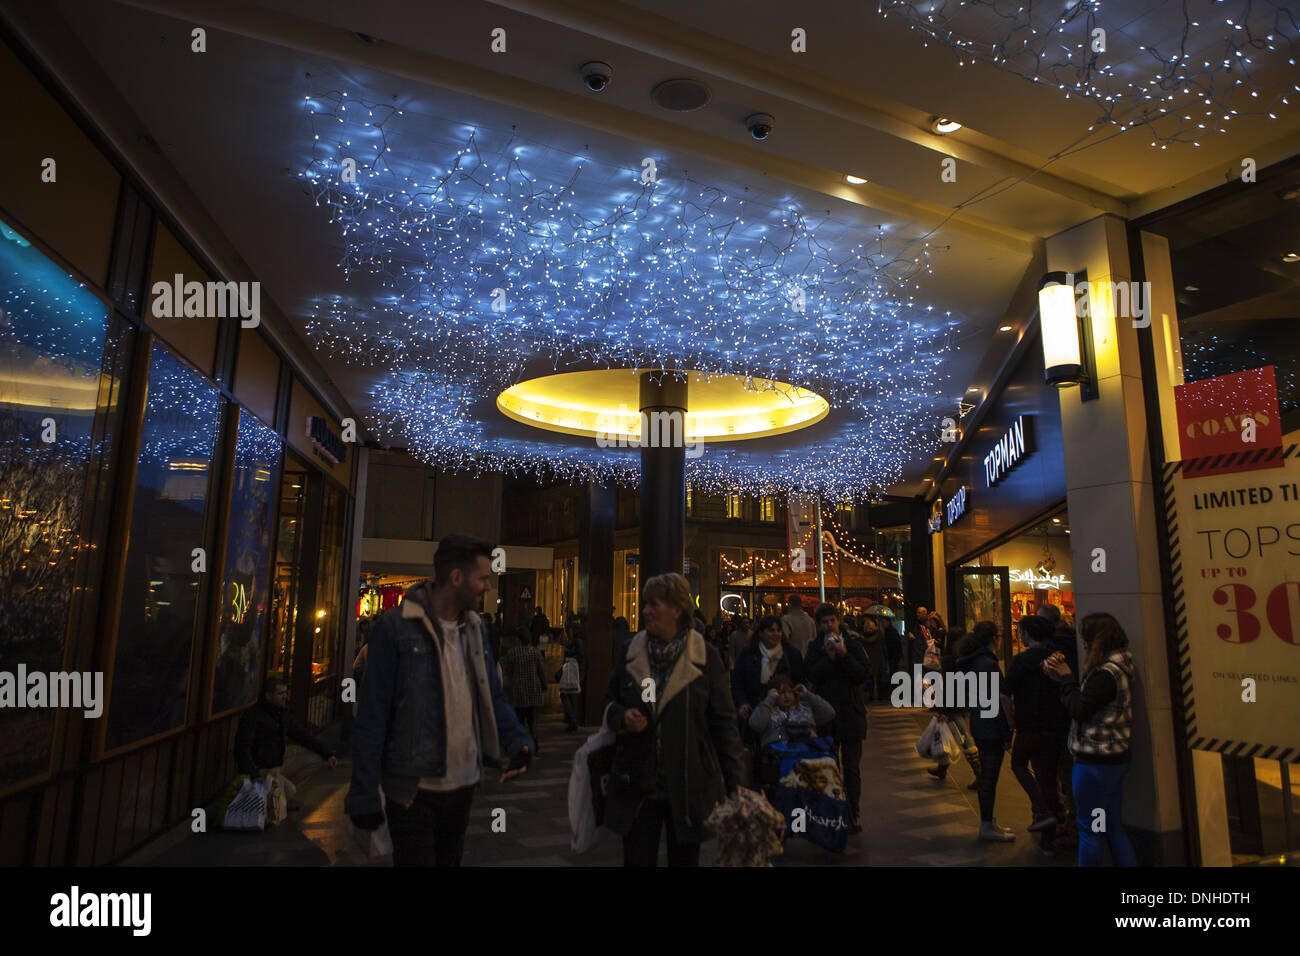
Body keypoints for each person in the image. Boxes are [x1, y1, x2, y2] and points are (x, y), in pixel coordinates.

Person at [345, 534, 533, 866]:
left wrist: (517, 740)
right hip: (412, 790)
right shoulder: (395, 628)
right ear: (456, 578)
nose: (488, 587)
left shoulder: (476, 629)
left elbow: (492, 695)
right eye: (484, 578)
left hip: (463, 786)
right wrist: (363, 791)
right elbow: (372, 714)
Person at [603, 572, 742, 867]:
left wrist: (736, 786)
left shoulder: (705, 657)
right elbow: (609, 703)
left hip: (688, 785)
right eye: (645, 605)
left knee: (685, 861)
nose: (645, 612)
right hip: (639, 785)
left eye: (654, 605)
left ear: (677, 610)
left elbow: (724, 725)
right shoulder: (630, 652)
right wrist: (622, 717)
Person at [1042, 611, 1138, 867]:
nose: (1082, 642)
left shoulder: (1105, 673)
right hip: (1116, 757)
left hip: (1095, 761)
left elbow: (1080, 708)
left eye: (1085, 637)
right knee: (1113, 826)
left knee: (1090, 830)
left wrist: (1065, 679)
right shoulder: (1123, 666)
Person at [1006, 615, 1070, 854]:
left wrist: (1011, 721)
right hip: (1055, 726)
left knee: (1019, 763)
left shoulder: (1021, 661)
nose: (1019, 636)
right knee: (1048, 779)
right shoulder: (1057, 658)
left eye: (1020, 632)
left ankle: (1042, 810)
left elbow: (1005, 693)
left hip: (1029, 725)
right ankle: (1049, 838)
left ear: (1027, 634)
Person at [805, 603, 869, 834]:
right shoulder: (815, 648)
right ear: (818, 625)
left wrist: (843, 655)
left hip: (851, 714)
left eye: (832, 620)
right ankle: (835, 810)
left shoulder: (852, 644)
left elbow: (862, 674)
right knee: (830, 765)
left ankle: (854, 811)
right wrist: (828, 657)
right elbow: (811, 674)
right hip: (827, 716)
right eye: (824, 622)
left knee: (851, 767)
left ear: (838, 621)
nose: (829, 625)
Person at [235, 677, 338, 812]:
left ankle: (277, 796)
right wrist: (253, 773)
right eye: (280, 693)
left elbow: (302, 735)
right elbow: (242, 747)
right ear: (268, 696)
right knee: (291, 790)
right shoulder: (253, 715)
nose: (285, 697)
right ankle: (276, 797)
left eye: (285, 692)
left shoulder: (282, 714)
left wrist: (327, 753)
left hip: (278, 765)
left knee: (315, 759)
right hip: (261, 769)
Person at [957, 621, 1015, 842]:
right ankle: (987, 824)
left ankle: (988, 822)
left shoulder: (972, 662)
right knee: (989, 776)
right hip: (990, 726)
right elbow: (999, 701)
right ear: (993, 638)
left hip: (979, 722)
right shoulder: (988, 664)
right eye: (999, 636)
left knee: (987, 776)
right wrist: (1007, 732)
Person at [1039, 602, 1080, 846]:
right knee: (1069, 776)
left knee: (1057, 776)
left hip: (1056, 719)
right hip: (1071, 718)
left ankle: (1065, 826)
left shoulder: (1050, 650)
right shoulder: (1073, 644)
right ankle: (1072, 826)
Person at [732, 615, 806, 724]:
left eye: (778, 630)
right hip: (755, 712)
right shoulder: (748, 654)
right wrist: (743, 703)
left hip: (785, 714)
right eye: (771, 630)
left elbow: (799, 680)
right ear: (761, 633)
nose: (776, 634)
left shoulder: (791, 655)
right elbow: (737, 682)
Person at [749, 675, 835, 748]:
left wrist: (807, 694)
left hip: (807, 753)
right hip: (778, 756)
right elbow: (756, 725)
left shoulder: (804, 708)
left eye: (790, 692)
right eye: (782, 693)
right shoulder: (766, 711)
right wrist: (769, 700)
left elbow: (829, 714)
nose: (787, 696)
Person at [503, 628, 549, 755]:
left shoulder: (513, 653)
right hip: (533, 690)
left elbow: (508, 672)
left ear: (518, 639)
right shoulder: (535, 652)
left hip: (518, 691)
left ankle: (522, 746)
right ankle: (534, 744)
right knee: (533, 720)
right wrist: (544, 685)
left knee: (520, 720)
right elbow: (541, 671)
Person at [556, 654, 582, 731]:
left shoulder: (566, 664)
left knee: (568, 706)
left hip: (565, 688)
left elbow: (557, 675)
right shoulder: (577, 664)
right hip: (575, 687)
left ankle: (572, 721)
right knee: (574, 706)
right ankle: (573, 723)